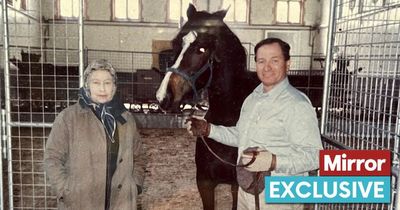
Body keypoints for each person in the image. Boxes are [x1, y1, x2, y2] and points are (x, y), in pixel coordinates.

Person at [186, 38, 323, 210]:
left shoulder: (297, 105)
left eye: (275, 60)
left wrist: (274, 162)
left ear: (287, 64)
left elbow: (315, 157)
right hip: (247, 191)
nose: (267, 67)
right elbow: (241, 135)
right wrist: (209, 129)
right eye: (261, 61)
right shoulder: (252, 99)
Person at [44, 59, 145, 210]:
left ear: (114, 87)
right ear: (87, 86)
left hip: (120, 202)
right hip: (80, 203)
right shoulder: (68, 118)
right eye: (96, 83)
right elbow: (52, 158)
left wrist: (134, 186)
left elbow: (139, 156)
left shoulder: (126, 118)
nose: (102, 89)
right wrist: (66, 192)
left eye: (107, 83)